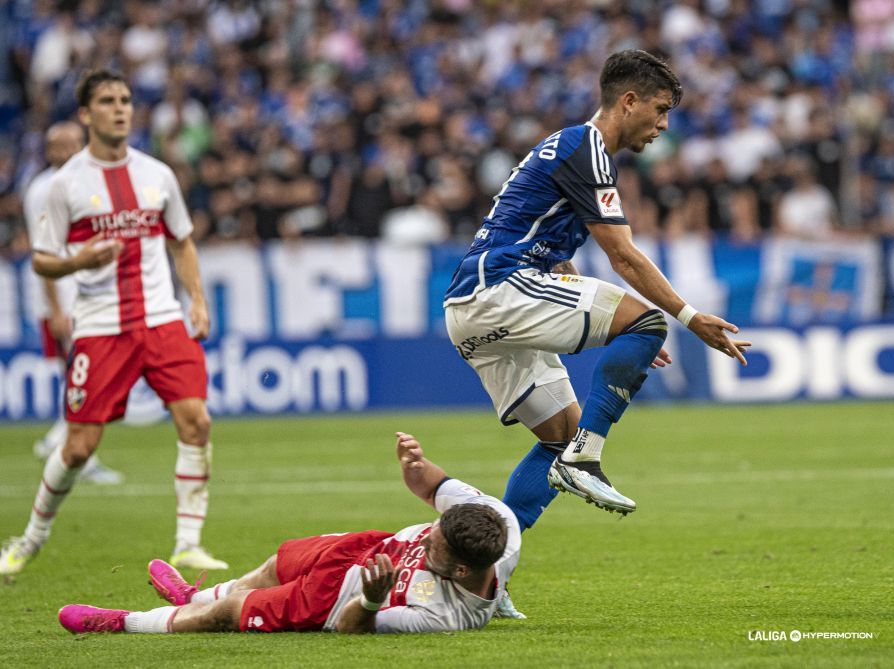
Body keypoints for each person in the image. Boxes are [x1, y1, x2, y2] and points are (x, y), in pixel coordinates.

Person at [444, 50, 750, 531]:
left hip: (471, 305)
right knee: (648, 322)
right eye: (661, 108)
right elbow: (623, 256)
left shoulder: (570, 148)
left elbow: (546, 242)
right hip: (501, 286)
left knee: (559, 435)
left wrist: (623, 336)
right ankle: (584, 462)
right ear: (629, 101)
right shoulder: (585, 147)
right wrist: (687, 319)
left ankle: (486, 570)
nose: (665, 124)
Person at [0, 70, 226, 575]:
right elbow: (41, 259)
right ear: (86, 114)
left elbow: (181, 240)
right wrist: (80, 263)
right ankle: (30, 539)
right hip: (101, 327)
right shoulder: (64, 186)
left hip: (162, 318)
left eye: (125, 99)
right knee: (79, 446)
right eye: (107, 101)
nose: (120, 108)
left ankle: (188, 542)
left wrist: (197, 300)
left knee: (197, 420)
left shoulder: (157, 173)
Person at [58, 432, 520, 635]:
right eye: (431, 530)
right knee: (270, 567)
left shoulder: (443, 616)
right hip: (359, 547)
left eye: (433, 546)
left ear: (461, 569)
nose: (424, 539)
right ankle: (191, 597)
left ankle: (122, 622)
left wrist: (375, 599)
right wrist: (415, 465)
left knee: (229, 613)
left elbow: (348, 628)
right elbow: (429, 486)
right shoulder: (497, 521)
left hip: (332, 601)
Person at [22, 121, 124, 485]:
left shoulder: (86, 182)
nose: (67, 151)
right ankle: (71, 447)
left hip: (88, 296)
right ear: (48, 151)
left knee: (89, 377)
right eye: (59, 146)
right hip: (62, 299)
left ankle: (63, 441)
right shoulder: (43, 190)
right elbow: (43, 254)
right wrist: (56, 310)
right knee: (83, 378)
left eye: (73, 144)